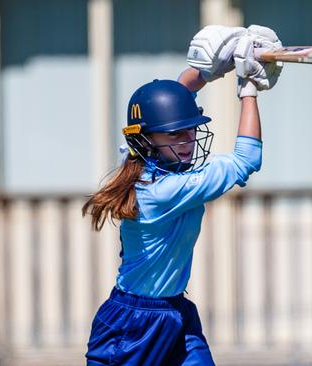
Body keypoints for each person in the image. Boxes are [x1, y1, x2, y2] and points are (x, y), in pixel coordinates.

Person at [82, 25, 282, 365]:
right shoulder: (165, 190)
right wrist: (248, 89)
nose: (188, 141)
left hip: (175, 311)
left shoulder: (137, 156)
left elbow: (174, 99)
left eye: (191, 130)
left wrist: (207, 69)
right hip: (133, 327)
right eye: (176, 135)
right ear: (149, 140)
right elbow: (247, 160)